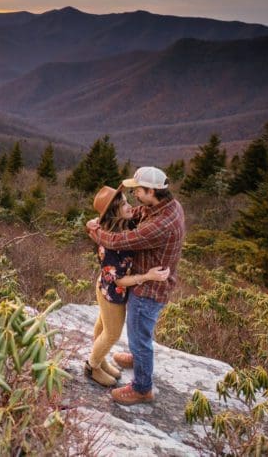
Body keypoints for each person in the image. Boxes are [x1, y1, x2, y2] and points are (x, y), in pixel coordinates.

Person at [87, 166, 186, 405]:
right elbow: (136, 215)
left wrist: (95, 230)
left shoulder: (159, 224)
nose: (134, 199)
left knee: (139, 338)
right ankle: (118, 360)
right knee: (132, 334)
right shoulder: (169, 206)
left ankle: (142, 388)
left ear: (151, 191)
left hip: (149, 291)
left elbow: (120, 240)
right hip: (136, 284)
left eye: (138, 191)